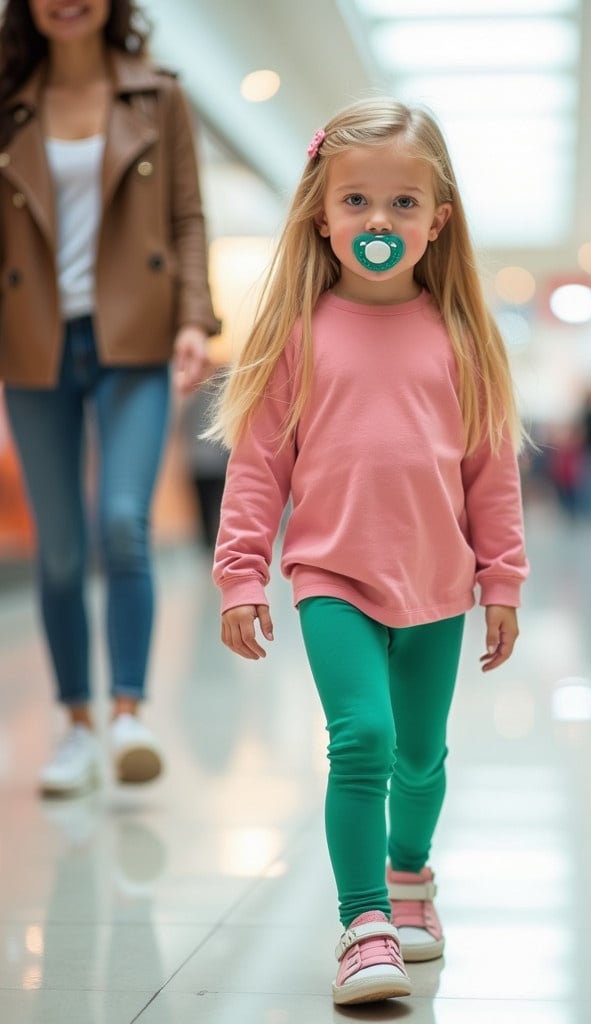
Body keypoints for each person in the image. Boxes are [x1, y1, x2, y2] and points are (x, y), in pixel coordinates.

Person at [211, 97, 529, 1005]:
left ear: (438, 221)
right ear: (322, 213)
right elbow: (258, 469)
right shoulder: (296, 337)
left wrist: (501, 577)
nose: (377, 221)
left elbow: (491, 475)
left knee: (421, 757)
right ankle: (363, 924)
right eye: (356, 202)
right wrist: (242, 576)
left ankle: (410, 877)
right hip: (331, 577)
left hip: (438, 582)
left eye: (401, 203)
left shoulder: (463, 338)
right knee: (363, 741)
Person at [0, 0, 219, 796]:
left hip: (136, 337)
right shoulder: (8, 98)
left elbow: (188, 218)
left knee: (123, 522)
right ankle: (76, 725)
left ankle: (128, 713)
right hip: (30, 341)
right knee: (59, 546)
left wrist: (196, 317)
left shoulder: (159, 95)